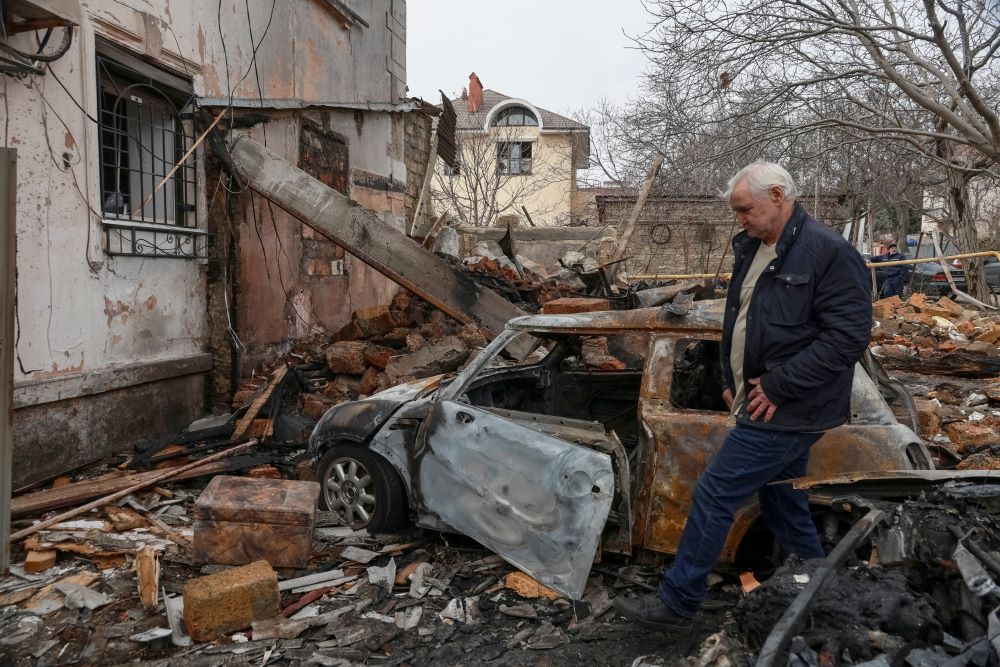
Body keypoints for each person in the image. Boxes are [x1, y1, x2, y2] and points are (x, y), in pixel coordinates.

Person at [614, 162, 873, 632]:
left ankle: (678, 602)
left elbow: (847, 339)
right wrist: (729, 376)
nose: (739, 220)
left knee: (715, 491)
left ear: (778, 195)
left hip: (790, 406)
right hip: (759, 396)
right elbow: (741, 318)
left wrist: (778, 384)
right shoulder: (754, 246)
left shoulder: (828, 252)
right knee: (781, 498)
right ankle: (818, 595)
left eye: (744, 209)